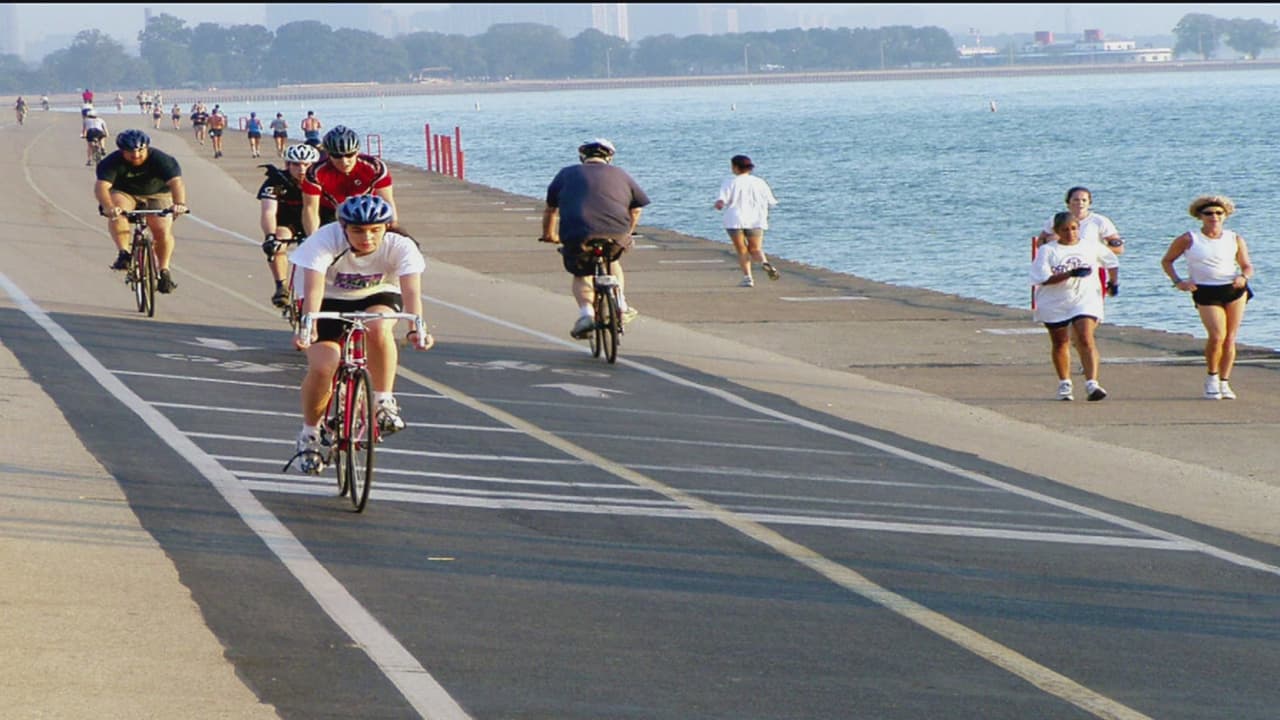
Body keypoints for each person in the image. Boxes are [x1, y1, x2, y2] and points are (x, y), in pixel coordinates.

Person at [288, 195, 433, 474]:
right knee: (323, 365)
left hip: (376, 294)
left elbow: (411, 291)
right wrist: (308, 328)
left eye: (375, 230)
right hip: (326, 298)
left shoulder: (401, 246)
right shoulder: (323, 240)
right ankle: (309, 434)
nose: (367, 237)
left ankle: (383, 401)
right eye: (357, 230)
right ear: (343, 227)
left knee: (378, 327)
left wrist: (417, 328)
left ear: (386, 227)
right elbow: (314, 289)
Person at [540, 138, 650, 339]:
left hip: (577, 233)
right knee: (613, 259)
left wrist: (549, 235)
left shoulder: (566, 174)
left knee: (581, 273)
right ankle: (621, 305)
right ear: (609, 157)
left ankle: (586, 315)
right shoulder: (621, 174)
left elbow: (551, 210)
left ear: (583, 157)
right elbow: (636, 208)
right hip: (616, 233)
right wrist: (629, 231)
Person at [1160, 195, 1255, 400]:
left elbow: (1247, 265)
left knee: (1230, 338)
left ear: (1225, 216)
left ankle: (1225, 382)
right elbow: (1167, 261)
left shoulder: (1234, 238)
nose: (1214, 217)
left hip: (1233, 288)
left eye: (1218, 213)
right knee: (1217, 335)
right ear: (1200, 216)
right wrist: (1179, 282)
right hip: (1205, 290)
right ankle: (1212, 377)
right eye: (1209, 213)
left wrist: (1243, 276)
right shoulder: (1189, 238)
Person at [1030, 211, 1119, 401]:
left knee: (1085, 337)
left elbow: (1111, 261)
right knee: (1060, 342)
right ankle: (1065, 383)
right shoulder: (1048, 251)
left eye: (1074, 229)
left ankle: (1092, 383)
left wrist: (1113, 282)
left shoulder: (1090, 246)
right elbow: (1042, 278)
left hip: (1084, 299)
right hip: (1055, 302)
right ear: (1057, 232)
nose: (1070, 233)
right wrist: (1070, 274)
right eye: (1065, 230)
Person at [93, 129, 188, 293]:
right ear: (122, 151)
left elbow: (176, 183)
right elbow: (102, 187)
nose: (136, 155)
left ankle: (164, 271)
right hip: (125, 193)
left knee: (161, 229)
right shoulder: (111, 162)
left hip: (157, 193)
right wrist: (109, 207)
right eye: (130, 152)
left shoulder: (162, 159)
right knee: (118, 213)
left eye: (140, 151)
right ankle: (124, 253)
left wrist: (179, 203)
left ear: (147, 148)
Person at [300, 125, 395, 237]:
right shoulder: (315, 172)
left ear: (357, 151)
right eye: (337, 156)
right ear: (328, 154)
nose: (344, 161)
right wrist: (313, 239)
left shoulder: (375, 167)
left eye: (349, 155)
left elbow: (387, 201)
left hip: (367, 210)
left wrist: (393, 228)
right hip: (330, 212)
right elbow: (310, 209)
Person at [258, 143, 320, 307]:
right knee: (279, 240)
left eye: (307, 165)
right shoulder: (276, 182)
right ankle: (281, 286)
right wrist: (270, 236)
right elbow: (268, 211)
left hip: (317, 220)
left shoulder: (322, 180)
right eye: (296, 164)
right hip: (288, 222)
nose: (302, 169)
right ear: (287, 164)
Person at [714, 154, 780, 287]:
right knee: (755, 248)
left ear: (736, 167)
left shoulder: (730, 182)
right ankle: (764, 262)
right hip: (756, 219)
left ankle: (748, 277)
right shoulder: (760, 182)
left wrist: (719, 204)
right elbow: (771, 201)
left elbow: (722, 200)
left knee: (742, 249)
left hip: (735, 219)